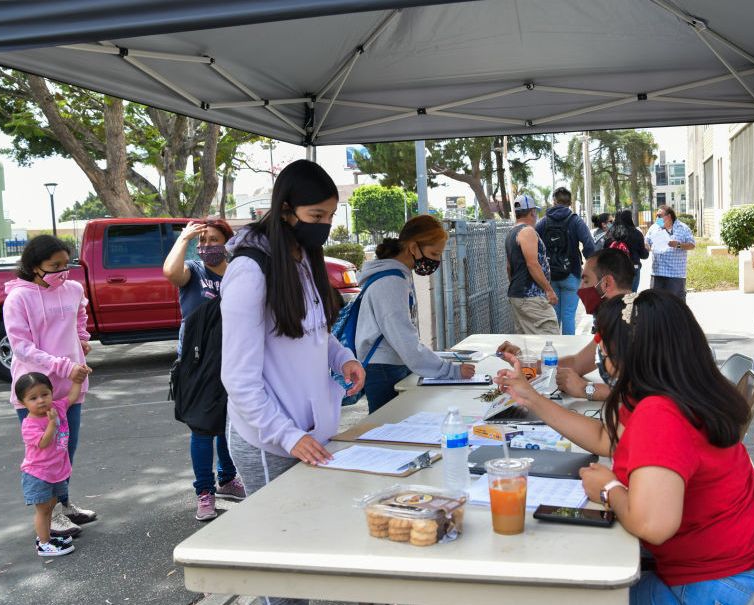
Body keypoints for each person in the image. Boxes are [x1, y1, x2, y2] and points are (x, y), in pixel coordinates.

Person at [493, 290, 754, 605]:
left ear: (635, 354)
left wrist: (609, 487)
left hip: (736, 586)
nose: (600, 353)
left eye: (606, 346)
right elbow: (607, 439)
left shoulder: (661, 412)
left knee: (569, 595)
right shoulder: (676, 388)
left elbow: (652, 525)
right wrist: (532, 398)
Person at [220, 160, 365, 605]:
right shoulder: (249, 272)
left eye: (330, 218)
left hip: (309, 433)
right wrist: (288, 434)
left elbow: (312, 332)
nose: (323, 227)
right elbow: (239, 380)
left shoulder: (303, 258)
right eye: (316, 217)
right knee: (281, 572)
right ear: (286, 211)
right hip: (270, 440)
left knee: (309, 552)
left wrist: (344, 359)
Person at [3, 235, 96, 538]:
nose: (62, 271)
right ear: (34, 267)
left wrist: (82, 339)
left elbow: (80, 316)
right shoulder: (18, 298)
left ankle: (64, 504)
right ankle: (51, 513)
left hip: (71, 382)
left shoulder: (73, 289)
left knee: (67, 448)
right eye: (53, 266)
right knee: (44, 453)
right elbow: (22, 348)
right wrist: (64, 365)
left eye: (65, 264)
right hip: (36, 389)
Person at [162, 218, 245, 522]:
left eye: (214, 240)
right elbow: (170, 272)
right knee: (202, 427)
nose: (207, 246)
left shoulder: (239, 272)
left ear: (228, 242)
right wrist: (184, 238)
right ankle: (204, 492)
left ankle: (227, 479)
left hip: (234, 357)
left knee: (229, 422)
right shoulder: (195, 271)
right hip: (197, 361)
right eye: (203, 241)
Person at [356, 215, 475, 413]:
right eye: (434, 253)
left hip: (389, 366)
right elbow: (405, 341)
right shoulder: (391, 283)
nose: (436, 261)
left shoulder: (398, 276)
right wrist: (451, 371)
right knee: (388, 429)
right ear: (413, 248)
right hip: (384, 370)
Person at [496, 248, 635, 402]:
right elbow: (577, 363)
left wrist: (586, 389)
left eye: (586, 280)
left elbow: (642, 391)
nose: (580, 288)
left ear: (606, 283)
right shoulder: (616, 320)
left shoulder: (635, 323)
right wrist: (525, 363)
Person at [17, 371, 87, 556]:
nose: (40, 400)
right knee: (42, 511)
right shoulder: (29, 424)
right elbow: (43, 443)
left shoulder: (57, 407)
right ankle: (43, 544)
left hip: (56, 472)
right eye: (33, 398)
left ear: (51, 393)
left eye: (44, 394)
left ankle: (47, 537)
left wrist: (77, 381)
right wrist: (51, 424)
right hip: (38, 474)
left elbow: (72, 397)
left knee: (50, 507)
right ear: (23, 403)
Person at [535, 187, 597, 335]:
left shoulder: (543, 222)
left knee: (554, 317)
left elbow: (534, 245)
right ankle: (569, 352)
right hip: (571, 273)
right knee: (568, 315)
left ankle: (554, 352)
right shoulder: (576, 221)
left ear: (554, 201)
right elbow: (589, 246)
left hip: (549, 277)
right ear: (570, 203)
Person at [506, 194, 559, 334]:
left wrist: (517, 288)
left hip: (519, 295)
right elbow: (532, 264)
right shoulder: (527, 231)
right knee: (549, 336)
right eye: (535, 213)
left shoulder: (512, 233)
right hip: (531, 297)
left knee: (527, 343)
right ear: (532, 212)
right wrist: (549, 290)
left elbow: (509, 267)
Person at [645, 205, 695, 300]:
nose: (657, 218)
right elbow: (646, 241)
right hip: (657, 273)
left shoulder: (683, 228)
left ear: (669, 216)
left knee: (675, 305)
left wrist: (678, 245)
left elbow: (692, 245)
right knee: (655, 304)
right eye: (656, 216)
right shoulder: (654, 228)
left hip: (675, 275)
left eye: (659, 216)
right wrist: (646, 246)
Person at [606, 209, 649, 291]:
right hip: (633, 267)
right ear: (630, 218)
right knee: (631, 296)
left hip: (615, 269)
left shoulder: (610, 233)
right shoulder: (636, 233)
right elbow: (644, 255)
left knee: (617, 295)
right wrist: (646, 249)